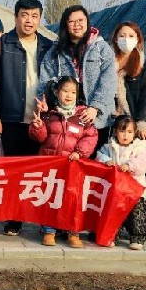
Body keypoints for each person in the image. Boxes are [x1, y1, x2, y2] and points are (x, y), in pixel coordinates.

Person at [0, 0, 54, 236]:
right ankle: (14, 218)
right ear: (15, 17)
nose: (29, 20)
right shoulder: (0, 46)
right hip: (11, 118)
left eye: (35, 16)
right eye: (24, 15)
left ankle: (40, 217)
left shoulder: (48, 46)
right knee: (14, 172)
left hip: (41, 120)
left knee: (39, 172)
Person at [29, 76, 98, 248]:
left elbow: (91, 136)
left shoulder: (82, 116)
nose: (69, 95)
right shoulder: (50, 114)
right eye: (65, 91)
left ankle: (72, 232)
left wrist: (79, 153)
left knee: (72, 198)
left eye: (73, 92)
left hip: (73, 166)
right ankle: (49, 230)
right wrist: (37, 126)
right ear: (56, 92)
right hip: (51, 166)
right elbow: (41, 138)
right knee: (51, 197)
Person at [37, 5, 117, 134]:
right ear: (65, 25)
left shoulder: (102, 48)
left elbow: (109, 81)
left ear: (87, 21)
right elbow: (45, 80)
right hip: (65, 118)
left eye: (81, 20)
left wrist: (95, 107)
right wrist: (45, 101)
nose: (77, 25)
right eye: (72, 21)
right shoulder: (55, 52)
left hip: (96, 118)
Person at [96, 115, 146, 250]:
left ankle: (138, 237)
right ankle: (112, 236)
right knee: (114, 216)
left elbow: (144, 162)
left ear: (135, 133)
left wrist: (130, 165)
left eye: (129, 132)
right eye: (122, 131)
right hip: (116, 191)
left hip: (134, 191)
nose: (125, 135)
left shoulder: (139, 147)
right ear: (115, 131)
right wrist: (106, 161)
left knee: (137, 215)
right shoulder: (109, 146)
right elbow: (99, 156)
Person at [108, 21, 146, 139]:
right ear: (115, 39)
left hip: (132, 124)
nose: (126, 40)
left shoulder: (144, 67)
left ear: (137, 39)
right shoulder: (106, 63)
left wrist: (142, 124)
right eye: (122, 36)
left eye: (131, 36)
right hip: (108, 123)